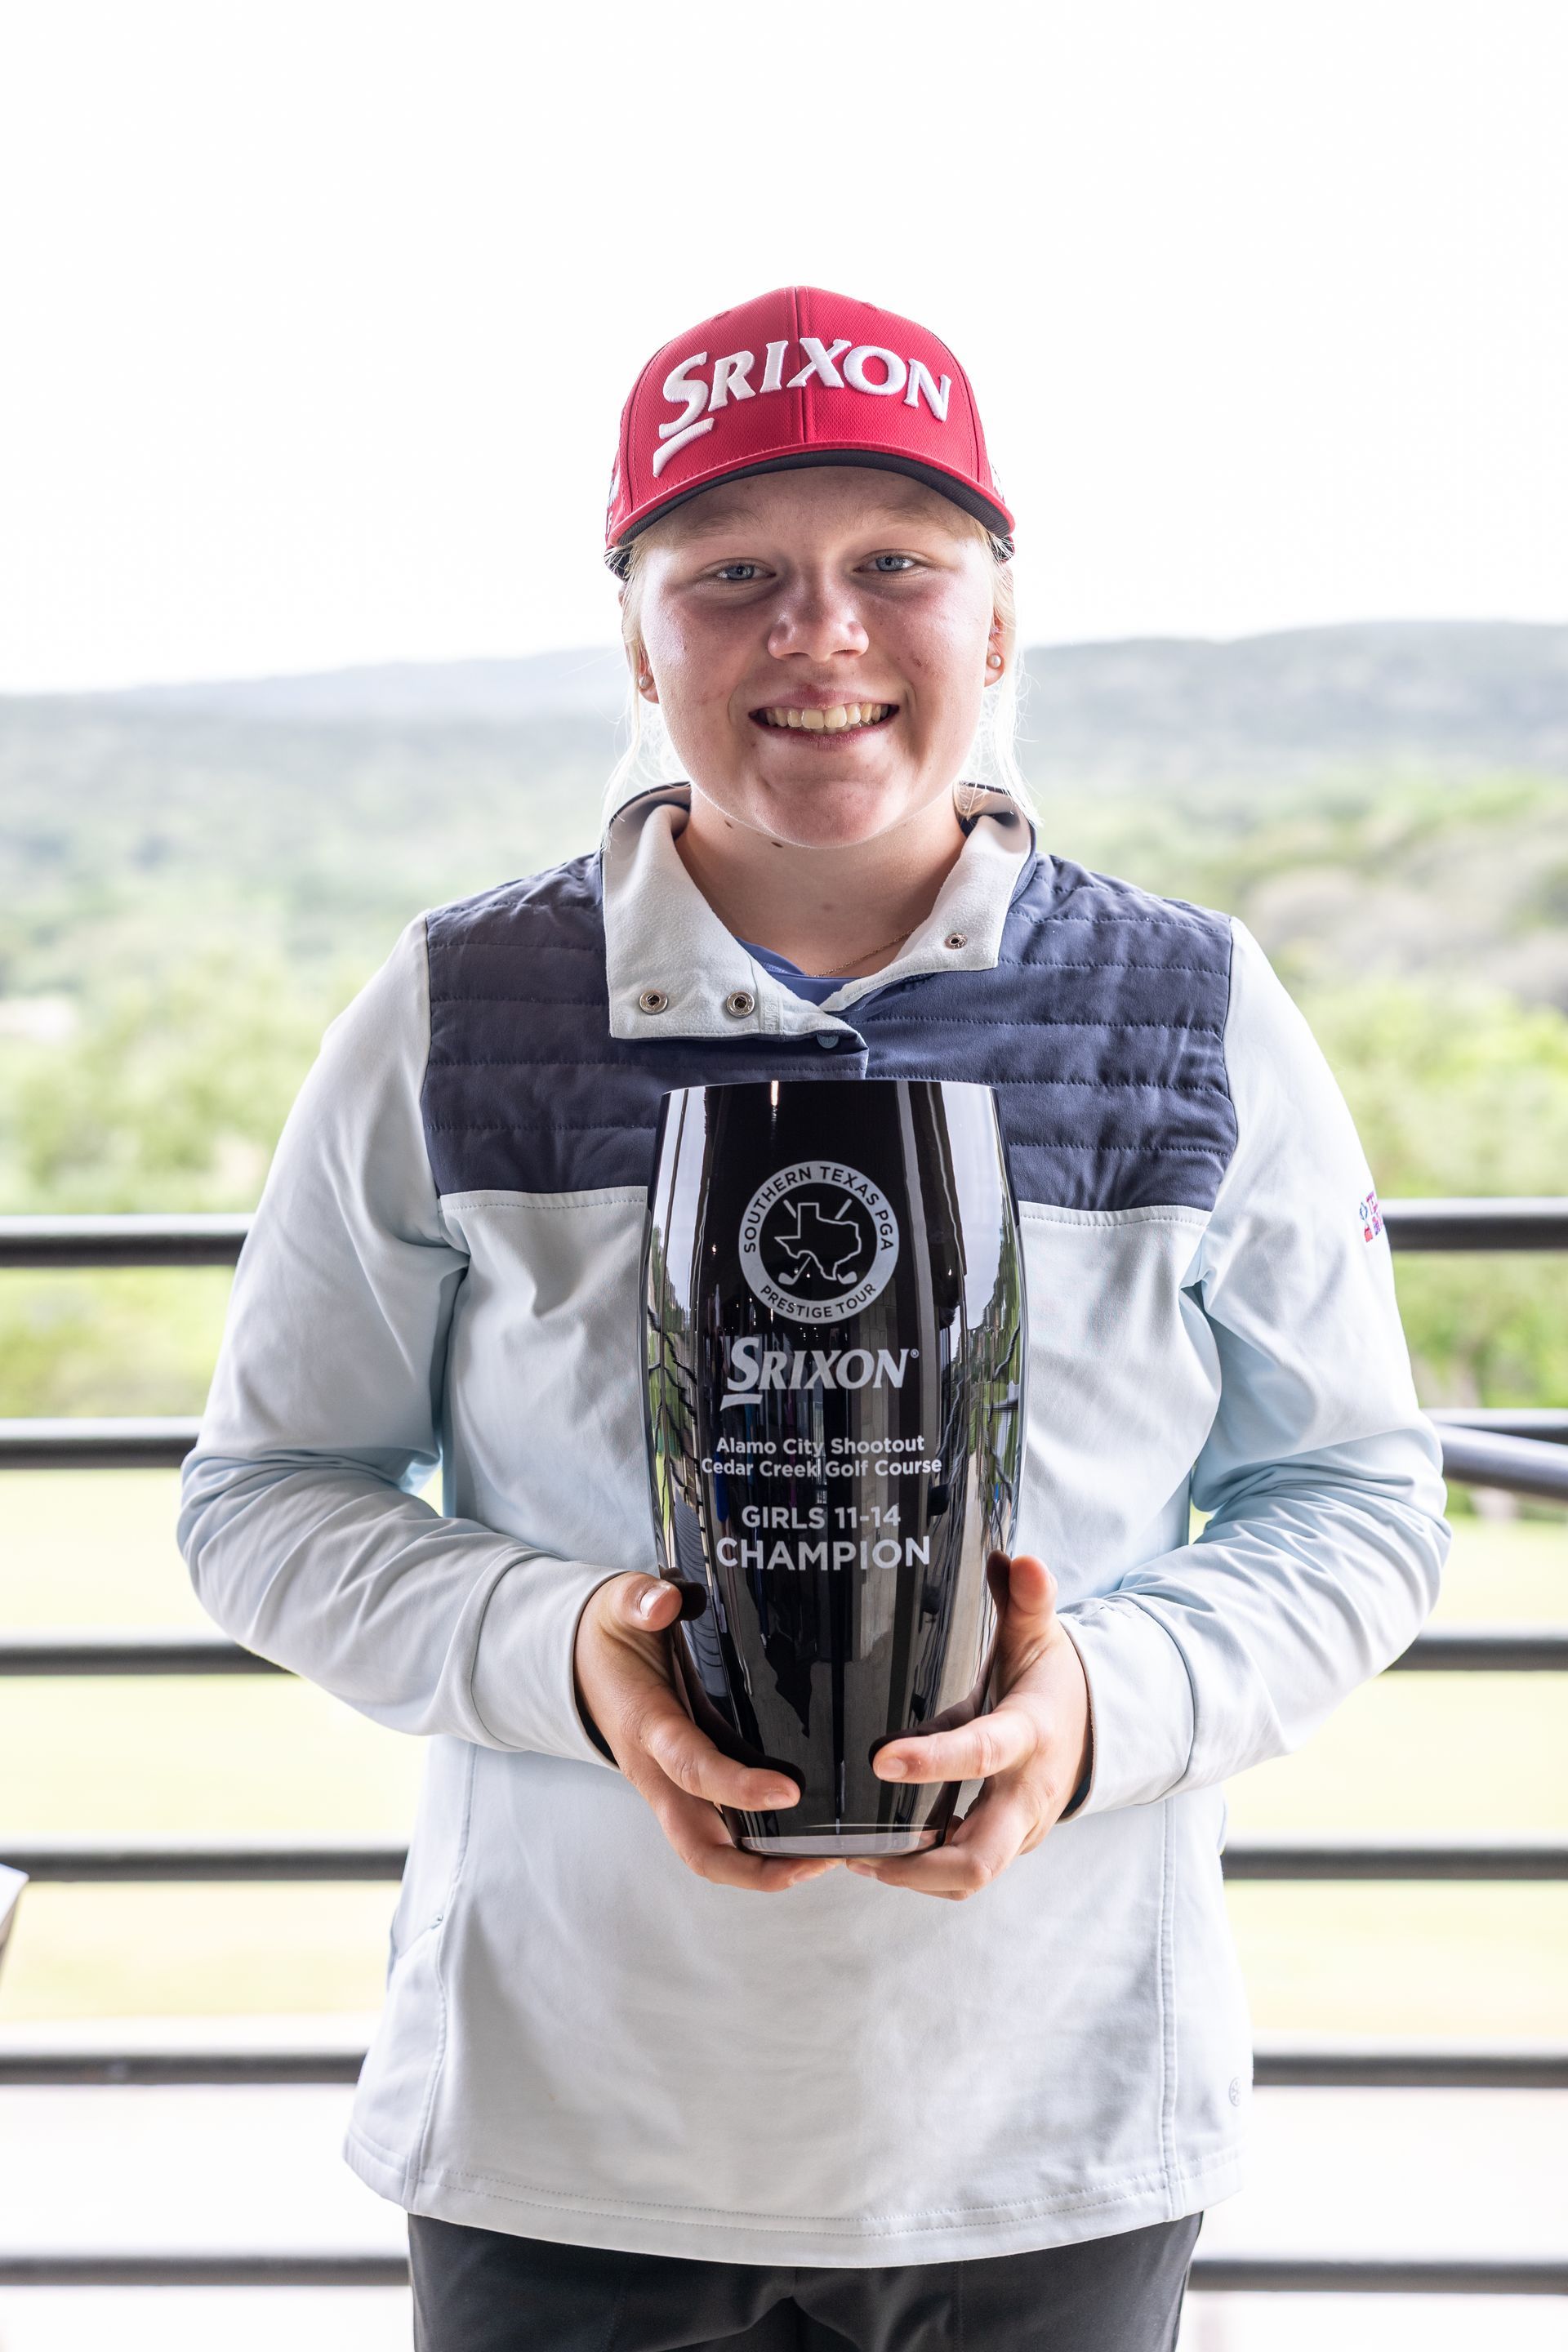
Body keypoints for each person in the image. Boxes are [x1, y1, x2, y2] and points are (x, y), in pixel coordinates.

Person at [179, 285, 1450, 2350]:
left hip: (1052, 2129)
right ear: (638, 639)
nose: (821, 634)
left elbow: (1358, 1501)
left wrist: (1101, 1705)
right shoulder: (459, 1007)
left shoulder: (1192, 1009)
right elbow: (265, 1496)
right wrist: (568, 1654)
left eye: (897, 566)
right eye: (734, 575)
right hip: (563, 2133)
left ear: (1003, 622)